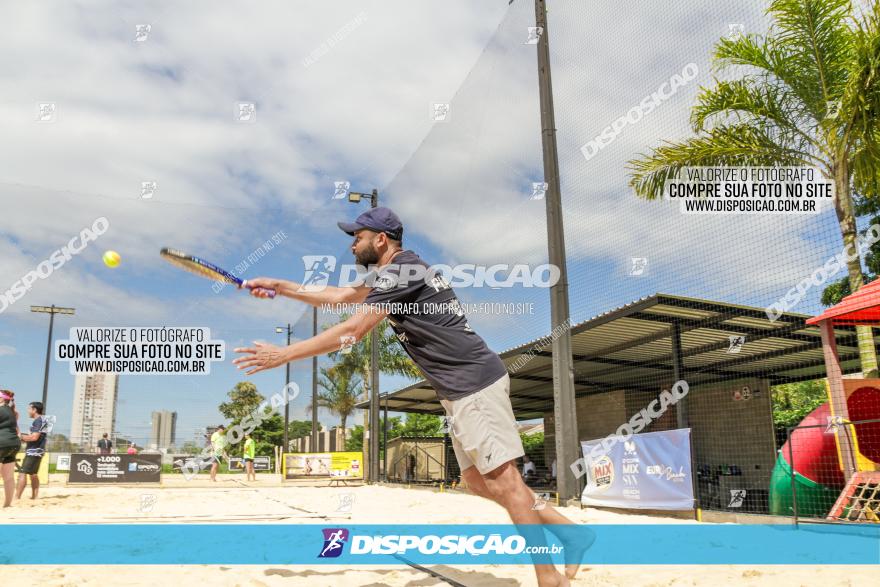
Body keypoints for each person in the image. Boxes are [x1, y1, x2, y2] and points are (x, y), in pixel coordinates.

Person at [233, 207, 587, 586]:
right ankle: (570, 533)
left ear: (380, 240)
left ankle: (550, 579)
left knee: (508, 485)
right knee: (474, 480)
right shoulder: (397, 272)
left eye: (358, 236)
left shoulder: (402, 270)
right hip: (459, 390)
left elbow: (353, 328)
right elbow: (337, 297)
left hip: (473, 384)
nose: (353, 244)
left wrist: (284, 354)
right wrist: (277, 284)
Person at [16, 401, 49, 501]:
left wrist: (20, 437)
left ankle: (16, 497)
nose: (28, 411)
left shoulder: (38, 421)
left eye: (29, 409)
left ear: (34, 410)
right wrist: (23, 436)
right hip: (38, 451)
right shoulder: (43, 420)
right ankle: (34, 497)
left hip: (33, 451)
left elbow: (34, 437)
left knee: (22, 473)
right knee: (33, 474)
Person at [0, 390, 20, 508]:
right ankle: (7, 504)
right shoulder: (13, 412)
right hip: (14, 444)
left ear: (2, 399)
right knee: (8, 477)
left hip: (2, 443)